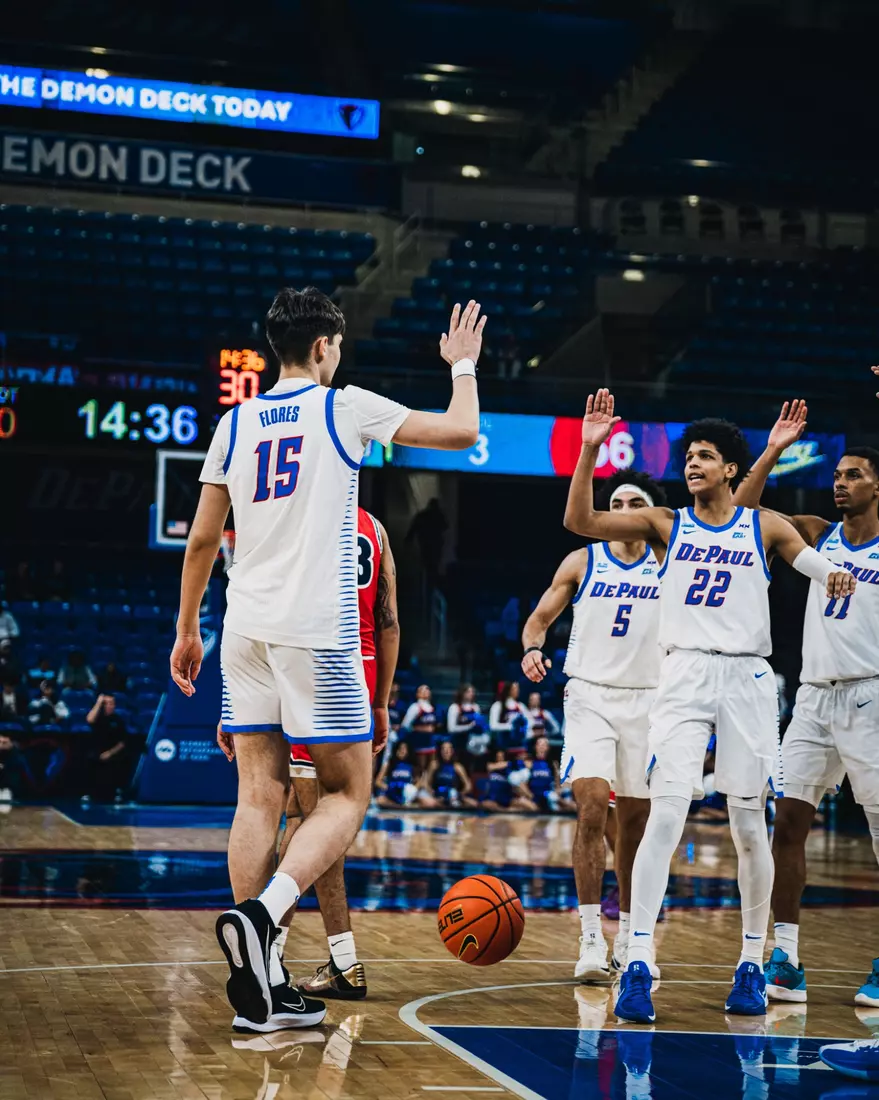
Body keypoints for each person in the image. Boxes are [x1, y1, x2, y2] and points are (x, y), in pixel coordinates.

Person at [170, 288, 484, 1033]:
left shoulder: (234, 420)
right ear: (322, 348)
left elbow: (201, 541)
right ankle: (264, 916)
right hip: (316, 631)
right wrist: (463, 365)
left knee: (257, 796)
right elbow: (462, 432)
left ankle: (265, 986)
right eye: (336, 346)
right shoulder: (342, 406)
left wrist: (188, 629)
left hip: (241, 625)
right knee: (346, 795)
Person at [564, 389, 855, 1024]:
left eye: (705, 456)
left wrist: (829, 572)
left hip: (748, 680)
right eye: (689, 455)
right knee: (665, 817)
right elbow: (582, 523)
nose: (692, 463)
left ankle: (751, 963)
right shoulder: (665, 523)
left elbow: (811, 562)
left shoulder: (765, 523)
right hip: (684, 674)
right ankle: (637, 960)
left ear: (729, 468)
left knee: (749, 825)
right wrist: (588, 449)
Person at [732, 401, 879, 1008]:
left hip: (873, 695)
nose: (839, 483)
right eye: (837, 475)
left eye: (853, 475)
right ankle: (786, 958)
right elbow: (738, 515)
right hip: (814, 698)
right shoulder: (817, 533)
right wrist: (771, 451)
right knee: (786, 824)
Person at [522, 468, 666, 981]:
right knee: (589, 807)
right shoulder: (583, 560)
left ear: (652, 517)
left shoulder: (669, 563)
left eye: (636, 503)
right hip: (589, 695)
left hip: (650, 701)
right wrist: (533, 647)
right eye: (618, 502)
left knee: (634, 826)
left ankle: (629, 936)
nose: (625, 510)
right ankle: (588, 941)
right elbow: (539, 618)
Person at [281, 507, 400, 1002]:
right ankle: (276, 947)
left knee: (318, 823)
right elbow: (389, 622)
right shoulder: (376, 526)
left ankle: (344, 962)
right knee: (298, 817)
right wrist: (381, 701)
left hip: (315, 664)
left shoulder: (298, 514)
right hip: (363, 667)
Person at [84, 694, 129, 800]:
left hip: (112, 752)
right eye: (107, 703)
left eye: (112, 703)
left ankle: (116, 792)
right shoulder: (98, 718)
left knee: (122, 760)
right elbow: (89, 720)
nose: (110, 706)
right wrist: (98, 702)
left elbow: (122, 742)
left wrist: (110, 753)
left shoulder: (118, 720)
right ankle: (90, 793)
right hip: (97, 751)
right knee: (89, 759)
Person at [375, 741, 435, 808]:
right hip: (392, 792)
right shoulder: (389, 763)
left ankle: (407, 805)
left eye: (404, 749)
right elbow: (378, 781)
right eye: (400, 748)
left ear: (408, 751)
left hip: (407, 793)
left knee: (428, 802)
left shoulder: (412, 765)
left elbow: (420, 780)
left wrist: (413, 789)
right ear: (396, 750)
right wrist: (389, 788)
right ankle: (400, 806)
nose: (402, 751)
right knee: (379, 800)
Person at [406, 498, 448, 586]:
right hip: (435, 545)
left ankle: (428, 584)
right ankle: (432, 584)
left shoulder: (423, 516)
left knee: (427, 566)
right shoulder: (439, 516)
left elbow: (413, 528)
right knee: (433, 567)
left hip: (426, 544)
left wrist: (408, 540)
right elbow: (445, 527)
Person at [480, 749, 537, 813]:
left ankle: (506, 810)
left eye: (502, 757)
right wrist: (513, 762)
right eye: (498, 757)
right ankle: (505, 810)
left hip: (508, 798)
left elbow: (518, 783)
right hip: (493, 798)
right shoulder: (492, 766)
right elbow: (491, 767)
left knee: (532, 807)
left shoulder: (510, 770)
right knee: (485, 804)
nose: (500, 759)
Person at [425, 740, 477, 808]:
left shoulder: (457, 767)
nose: (446, 752)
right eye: (443, 749)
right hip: (437, 796)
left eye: (448, 749)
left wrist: (459, 794)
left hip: (452, 795)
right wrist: (431, 793)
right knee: (427, 802)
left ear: (452, 752)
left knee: (473, 804)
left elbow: (468, 786)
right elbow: (426, 783)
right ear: (440, 751)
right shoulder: (434, 765)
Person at [401, 684, 439, 765]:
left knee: (431, 767)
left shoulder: (431, 707)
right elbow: (405, 725)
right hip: (419, 742)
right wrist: (421, 729)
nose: (426, 691)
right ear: (417, 694)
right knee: (420, 767)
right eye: (422, 690)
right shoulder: (415, 707)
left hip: (431, 742)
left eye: (427, 689)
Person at [489, 682, 530, 755]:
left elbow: (530, 721)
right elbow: (493, 726)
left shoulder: (520, 706)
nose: (518, 690)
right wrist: (512, 726)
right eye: (515, 688)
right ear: (509, 690)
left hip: (519, 746)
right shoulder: (498, 705)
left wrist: (523, 729)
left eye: (518, 688)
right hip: (503, 746)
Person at [526, 735, 560, 813]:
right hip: (533, 796)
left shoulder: (553, 764)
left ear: (547, 748)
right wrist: (530, 796)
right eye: (539, 744)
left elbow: (557, 784)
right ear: (535, 747)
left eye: (544, 745)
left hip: (548, 796)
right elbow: (524, 784)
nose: (541, 747)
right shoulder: (529, 762)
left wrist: (557, 794)